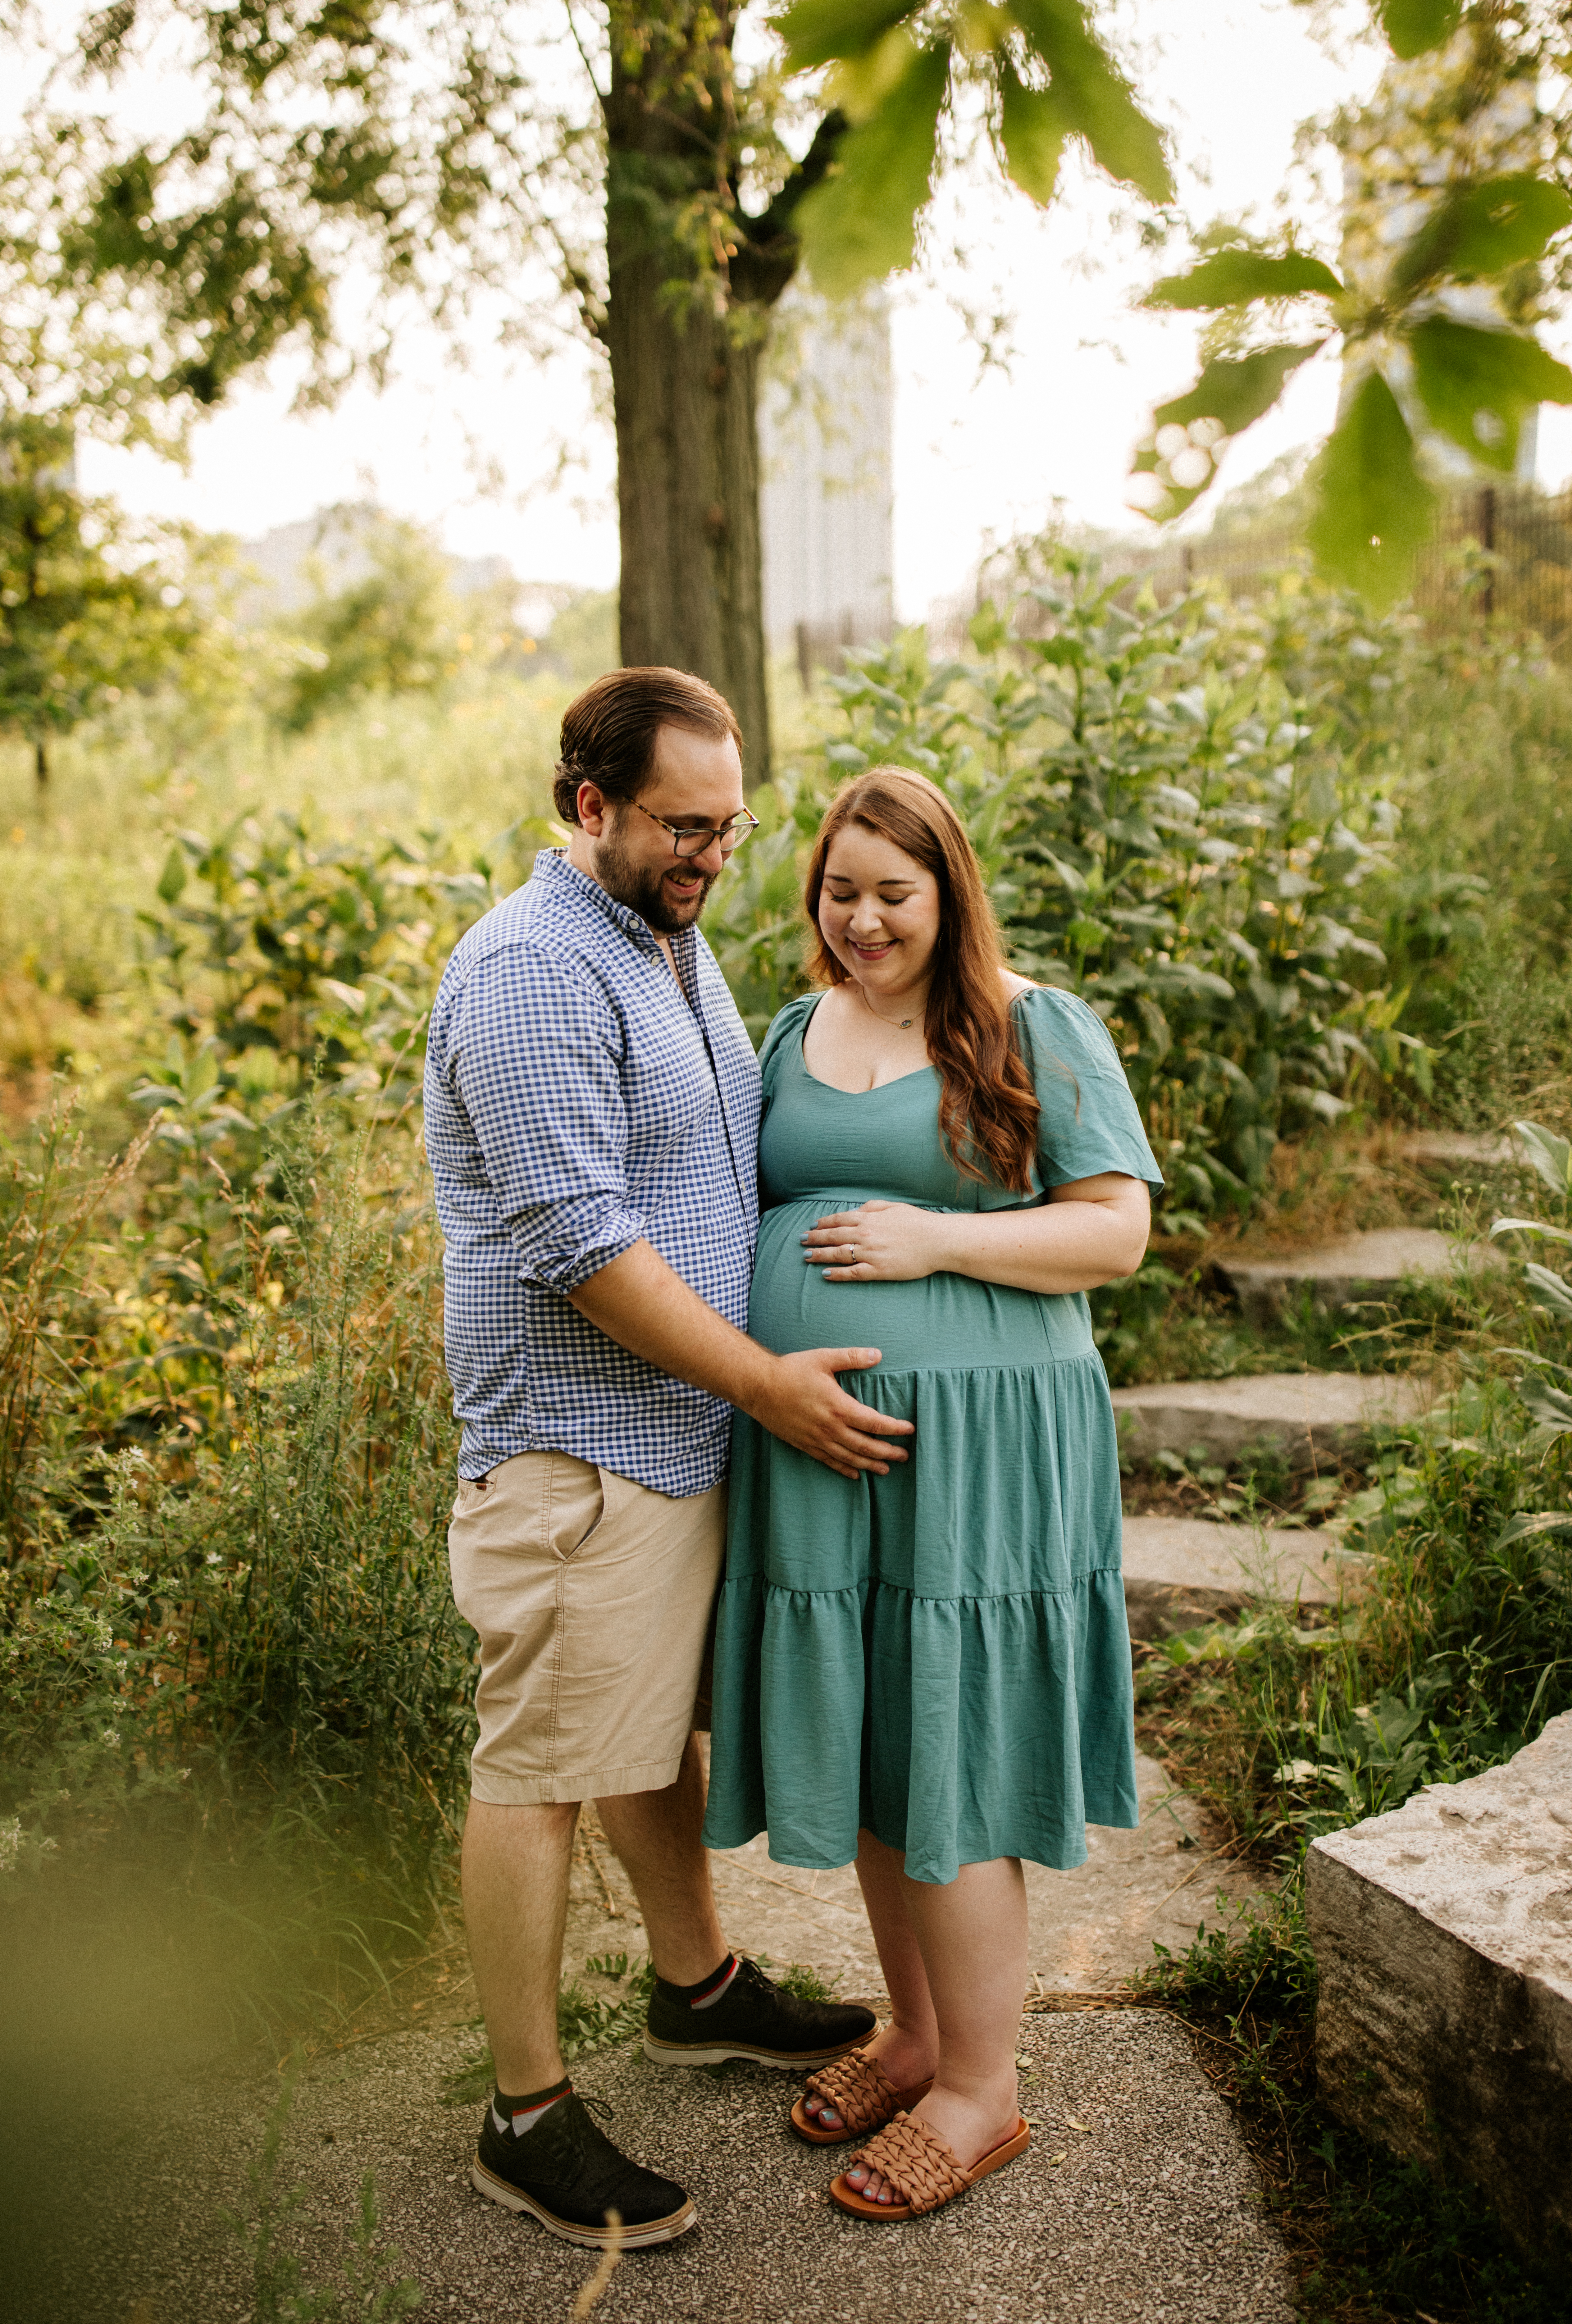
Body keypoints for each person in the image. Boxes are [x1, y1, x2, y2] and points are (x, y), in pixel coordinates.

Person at [423, 668, 915, 2251]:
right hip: (572, 1442)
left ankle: (696, 1988)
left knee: (641, 1735)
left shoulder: (664, 939)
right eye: (683, 826)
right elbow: (581, 1243)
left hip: (671, 1431)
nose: (714, 854)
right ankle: (527, 2114)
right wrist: (769, 1382)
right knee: (545, 1760)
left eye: (732, 824)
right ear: (588, 807)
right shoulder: (526, 975)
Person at [702, 765, 1162, 2223]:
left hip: (978, 1448)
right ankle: (914, 2035)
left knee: (950, 1742)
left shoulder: (1032, 1021)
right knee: (885, 1731)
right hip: (820, 1446)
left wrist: (938, 1242)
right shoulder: (788, 1027)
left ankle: (985, 2088)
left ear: (947, 890)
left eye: (893, 893)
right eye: (840, 892)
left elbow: (1117, 1233)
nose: (862, 920)